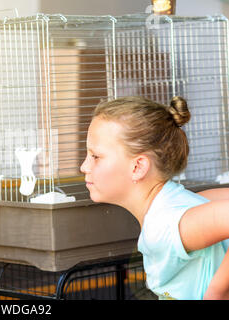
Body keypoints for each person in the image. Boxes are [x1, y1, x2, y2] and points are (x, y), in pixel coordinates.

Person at [80, 96, 229, 300]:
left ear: (138, 167)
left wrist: (217, 291)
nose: (84, 167)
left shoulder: (166, 226)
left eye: (95, 156)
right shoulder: (188, 205)